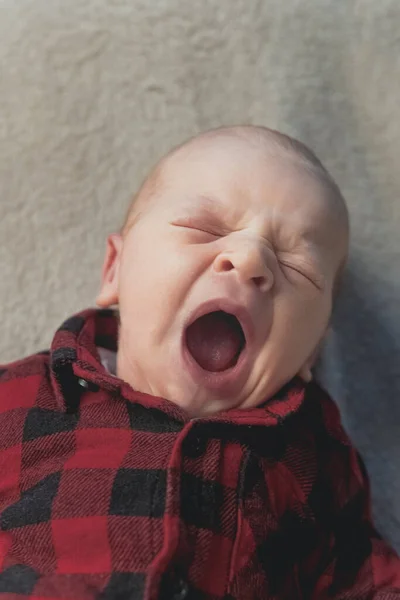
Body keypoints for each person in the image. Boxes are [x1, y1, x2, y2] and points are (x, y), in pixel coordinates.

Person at [0, 125, 399, 599]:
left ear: (312, 351)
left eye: (296, 267)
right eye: (203, 228)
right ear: (115, 269)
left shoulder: (312, 453)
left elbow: (361, 579)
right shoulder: (23, 399)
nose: (250, 259)